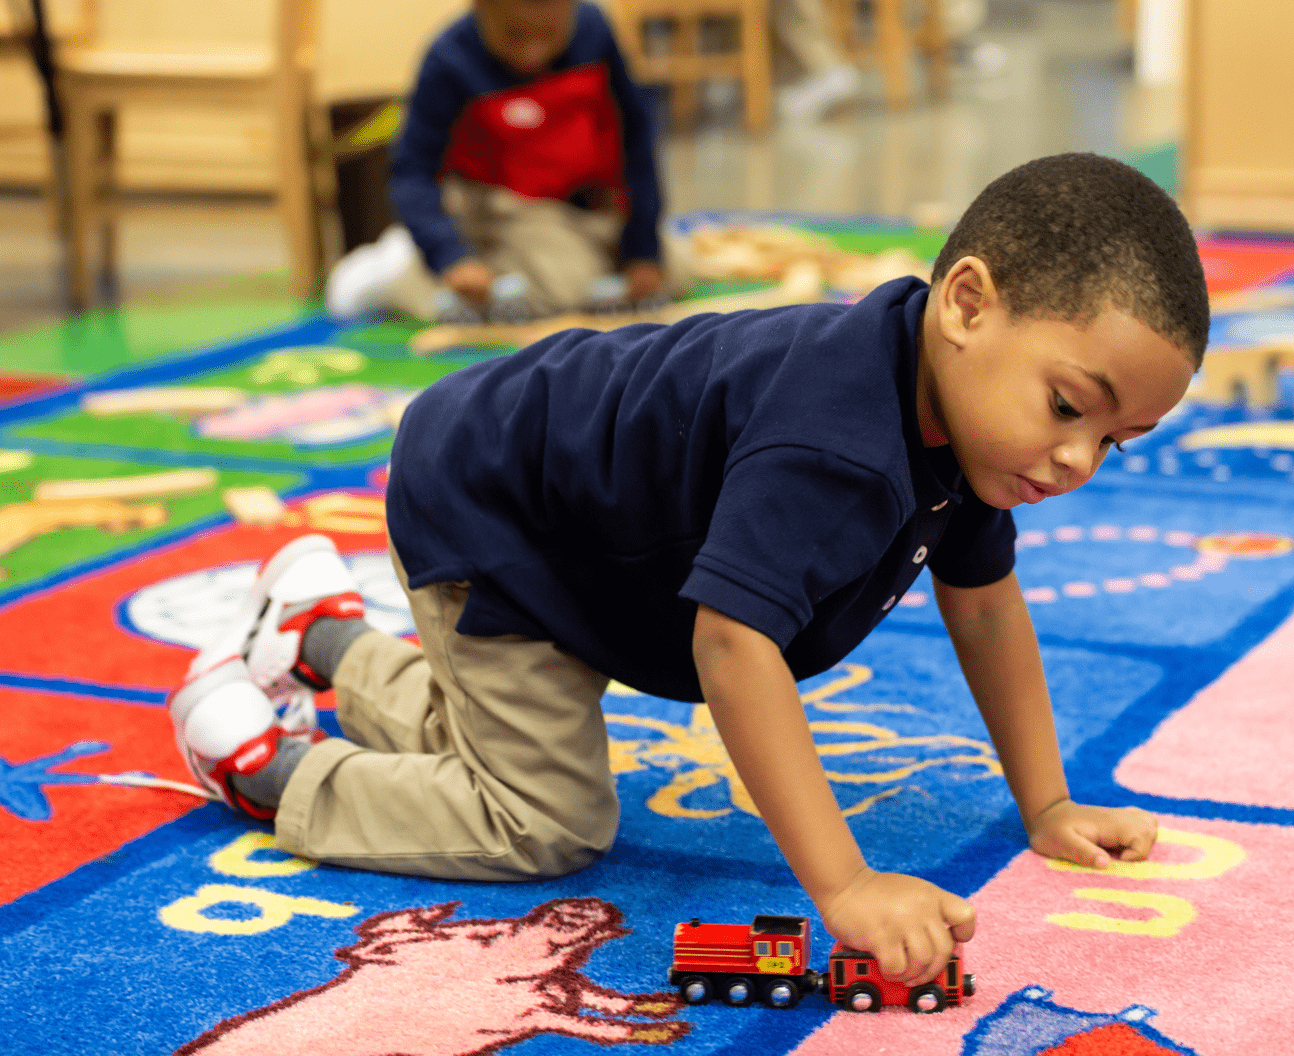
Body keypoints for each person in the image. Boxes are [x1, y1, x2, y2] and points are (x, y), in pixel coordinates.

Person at [170, 153, 1208, 988]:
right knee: (544, 818)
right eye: (1071, 406)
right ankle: (267, 766)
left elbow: (983, 611)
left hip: (579, 522)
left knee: (497, 728)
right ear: (967, 306)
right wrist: (843, 888)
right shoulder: (837, 441)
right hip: (500, 506)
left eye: (1117, 439)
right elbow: (731, 644)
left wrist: (1048, 805)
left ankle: (319, 636)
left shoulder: (974, 435)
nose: (1077, 459)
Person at [325, 0, 669, 323]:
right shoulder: (450, 59)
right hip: (502, 209)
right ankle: (398, 272)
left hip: (582, 208)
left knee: (674, 265)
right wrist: (450, 256)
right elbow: (413, 172)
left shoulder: (595, 31)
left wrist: (644, 251)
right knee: (566, 285)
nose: (532, 51)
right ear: (481, 9)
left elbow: (637, 144)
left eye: (547, 34)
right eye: (515, 34)